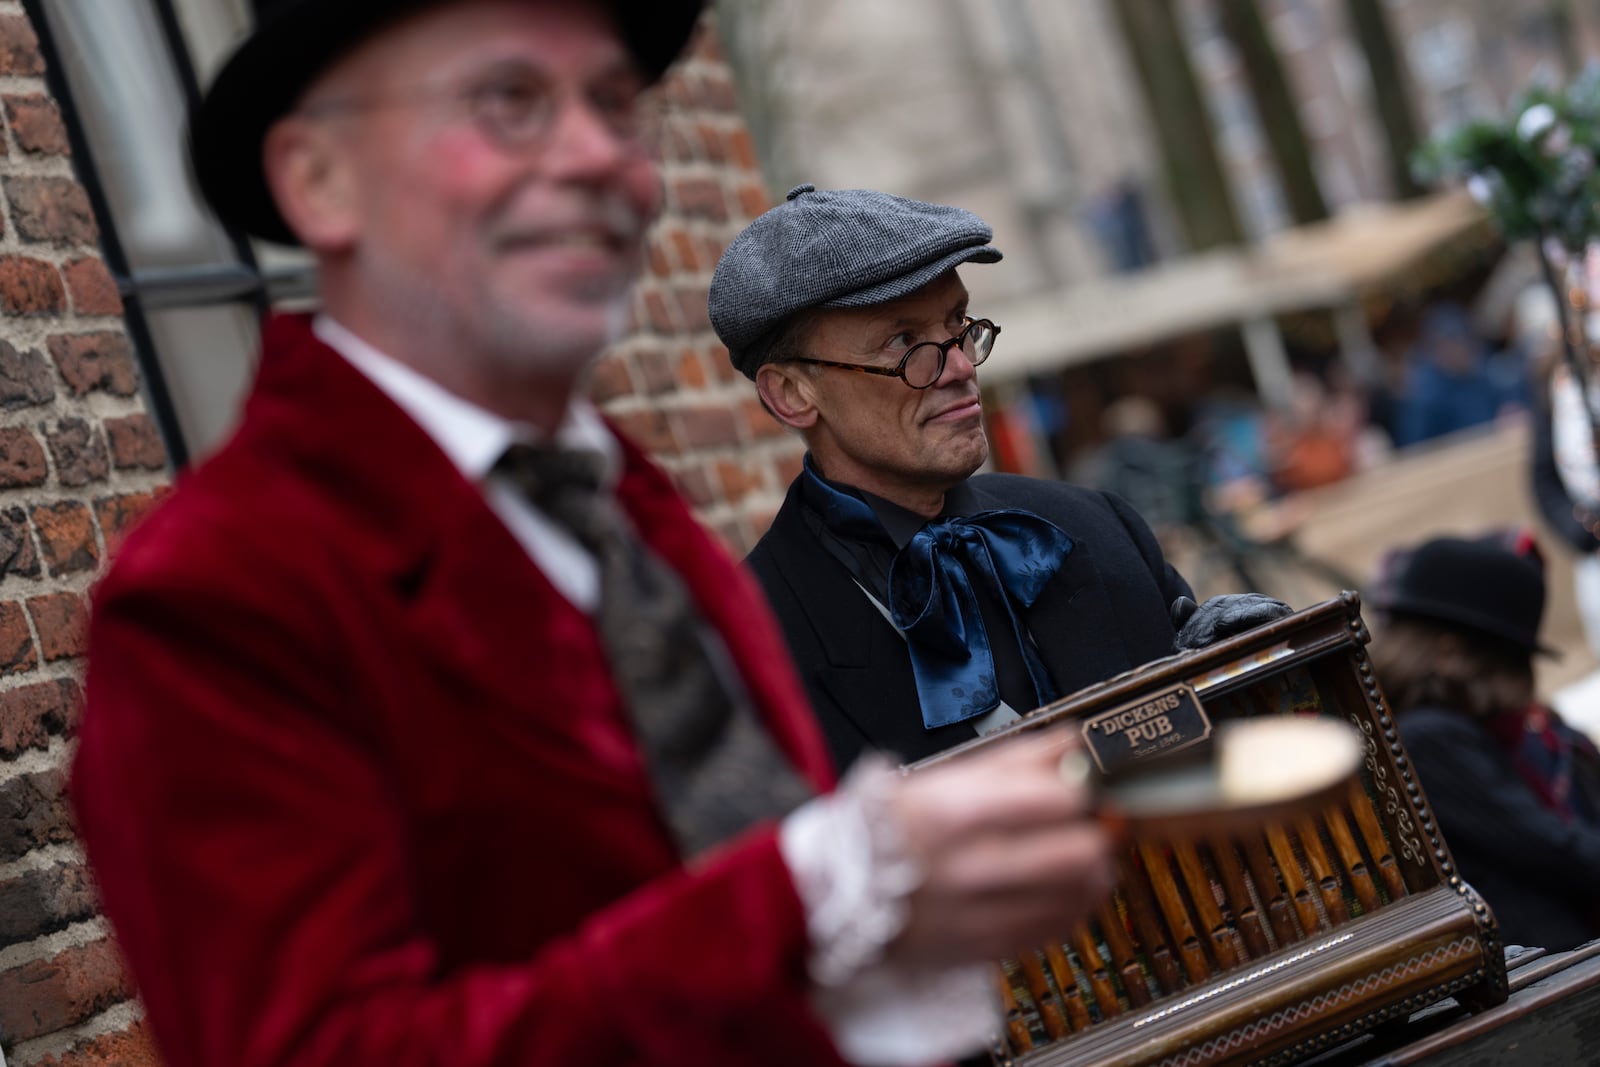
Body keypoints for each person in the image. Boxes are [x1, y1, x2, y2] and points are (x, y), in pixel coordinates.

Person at [69, 4, 1125, 1066]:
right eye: (507, 100)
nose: (597, 156)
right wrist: (809, 894)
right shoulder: (215, 594)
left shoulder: (616, 503)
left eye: (615, 104)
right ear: (320, 180)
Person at [708, 185, 1291, 771]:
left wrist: (1238, 682)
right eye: (903, 341)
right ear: (792, 393)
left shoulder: (1096, 525)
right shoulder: (747, 648)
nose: (960, 366)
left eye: (959, 323)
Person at [1370, 533, 1600, 949]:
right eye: (1513, 661)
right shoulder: (1428, 738)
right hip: (1540, 966)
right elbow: (1549, 849)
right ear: (1452, 652)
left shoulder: (1436, 730)